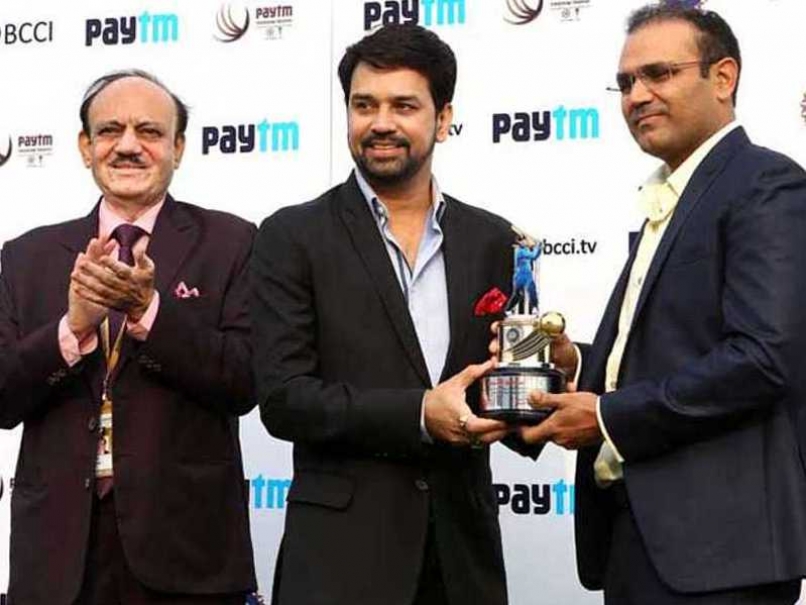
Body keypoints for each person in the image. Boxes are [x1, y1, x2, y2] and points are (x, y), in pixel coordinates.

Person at [518, 4, 806, 604]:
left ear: (722, 78)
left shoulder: (765, 184)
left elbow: (762, 357)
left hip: (720, 557)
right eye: (625, 82)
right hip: (639, 538)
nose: (637, 96)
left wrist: (604, 416)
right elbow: (676, 349)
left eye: (659, 74)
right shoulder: (675, 193)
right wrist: (583, 365)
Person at [251, 24, 531, 605]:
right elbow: (284, 399)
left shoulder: (493, 240)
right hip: (339, 560)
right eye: (364, 105)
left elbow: (501, 389)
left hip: (461, 560)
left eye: (404, 105)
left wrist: (540, 394)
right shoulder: (291, 235)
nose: (380, 123)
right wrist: (421, 413)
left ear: (444, 117)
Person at [0, 69, 257, 604]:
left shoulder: (233, 242)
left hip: (187, 552)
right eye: (110, 130)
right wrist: (73, 328)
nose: (128, 146)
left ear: (179, 147)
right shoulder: (25, 257)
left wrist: (150, 313)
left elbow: (246, 381)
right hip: (58, 555)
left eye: (150, 132)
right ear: (84, 146)